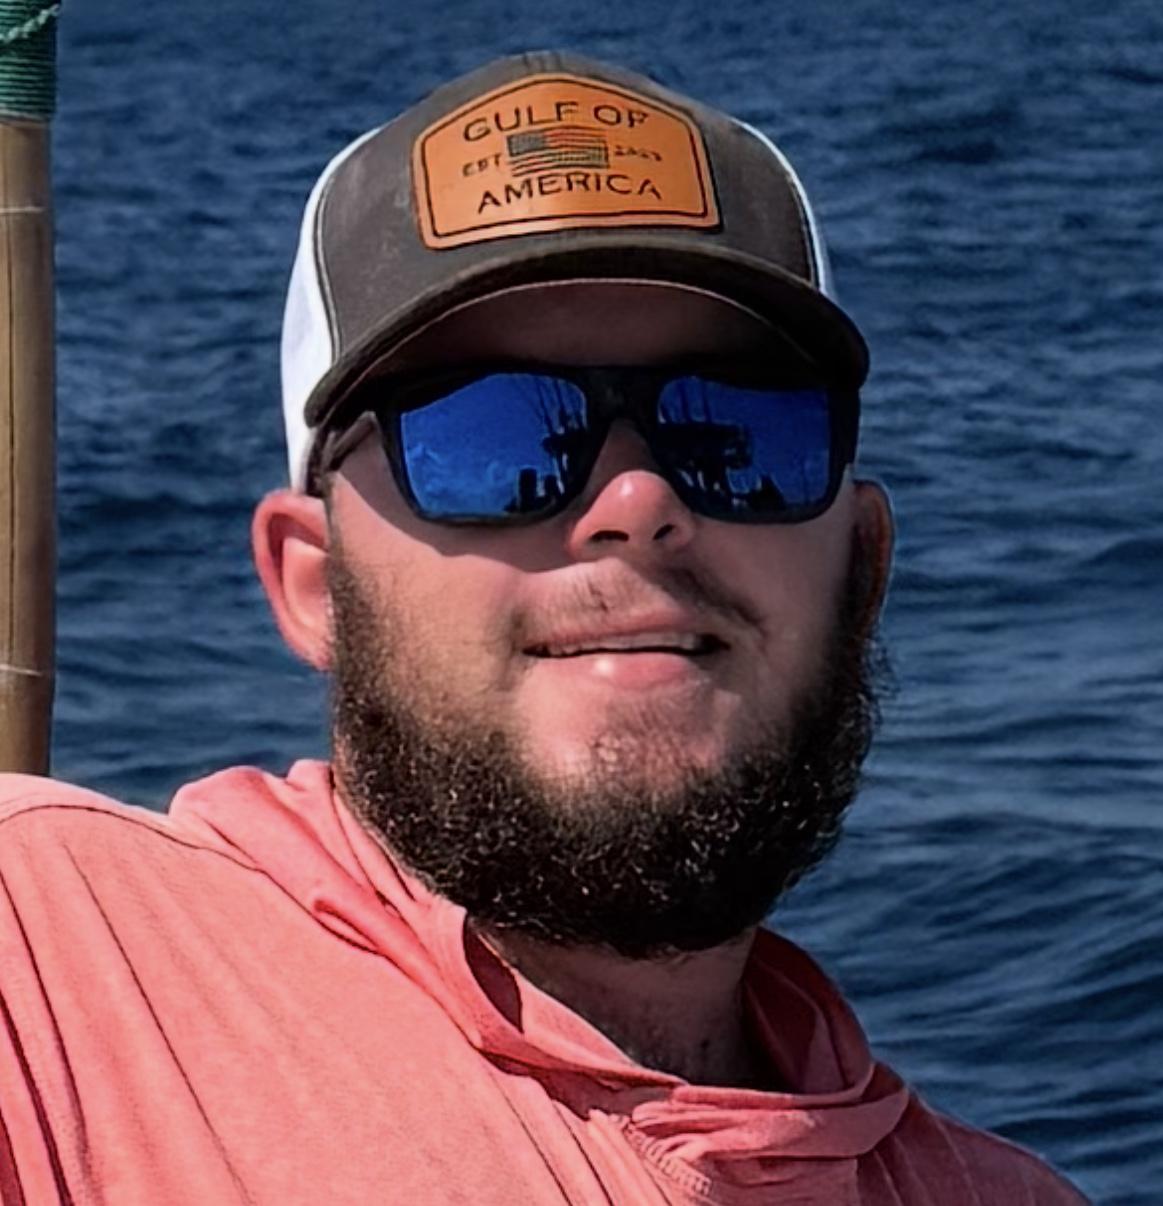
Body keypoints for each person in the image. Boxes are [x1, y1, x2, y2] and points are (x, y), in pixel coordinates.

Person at [0, 51, 1088, 1205]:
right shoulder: (39, 959)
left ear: (862, 568)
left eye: (737, 433)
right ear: (314, 586)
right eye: (493, 436)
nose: (638, 503)